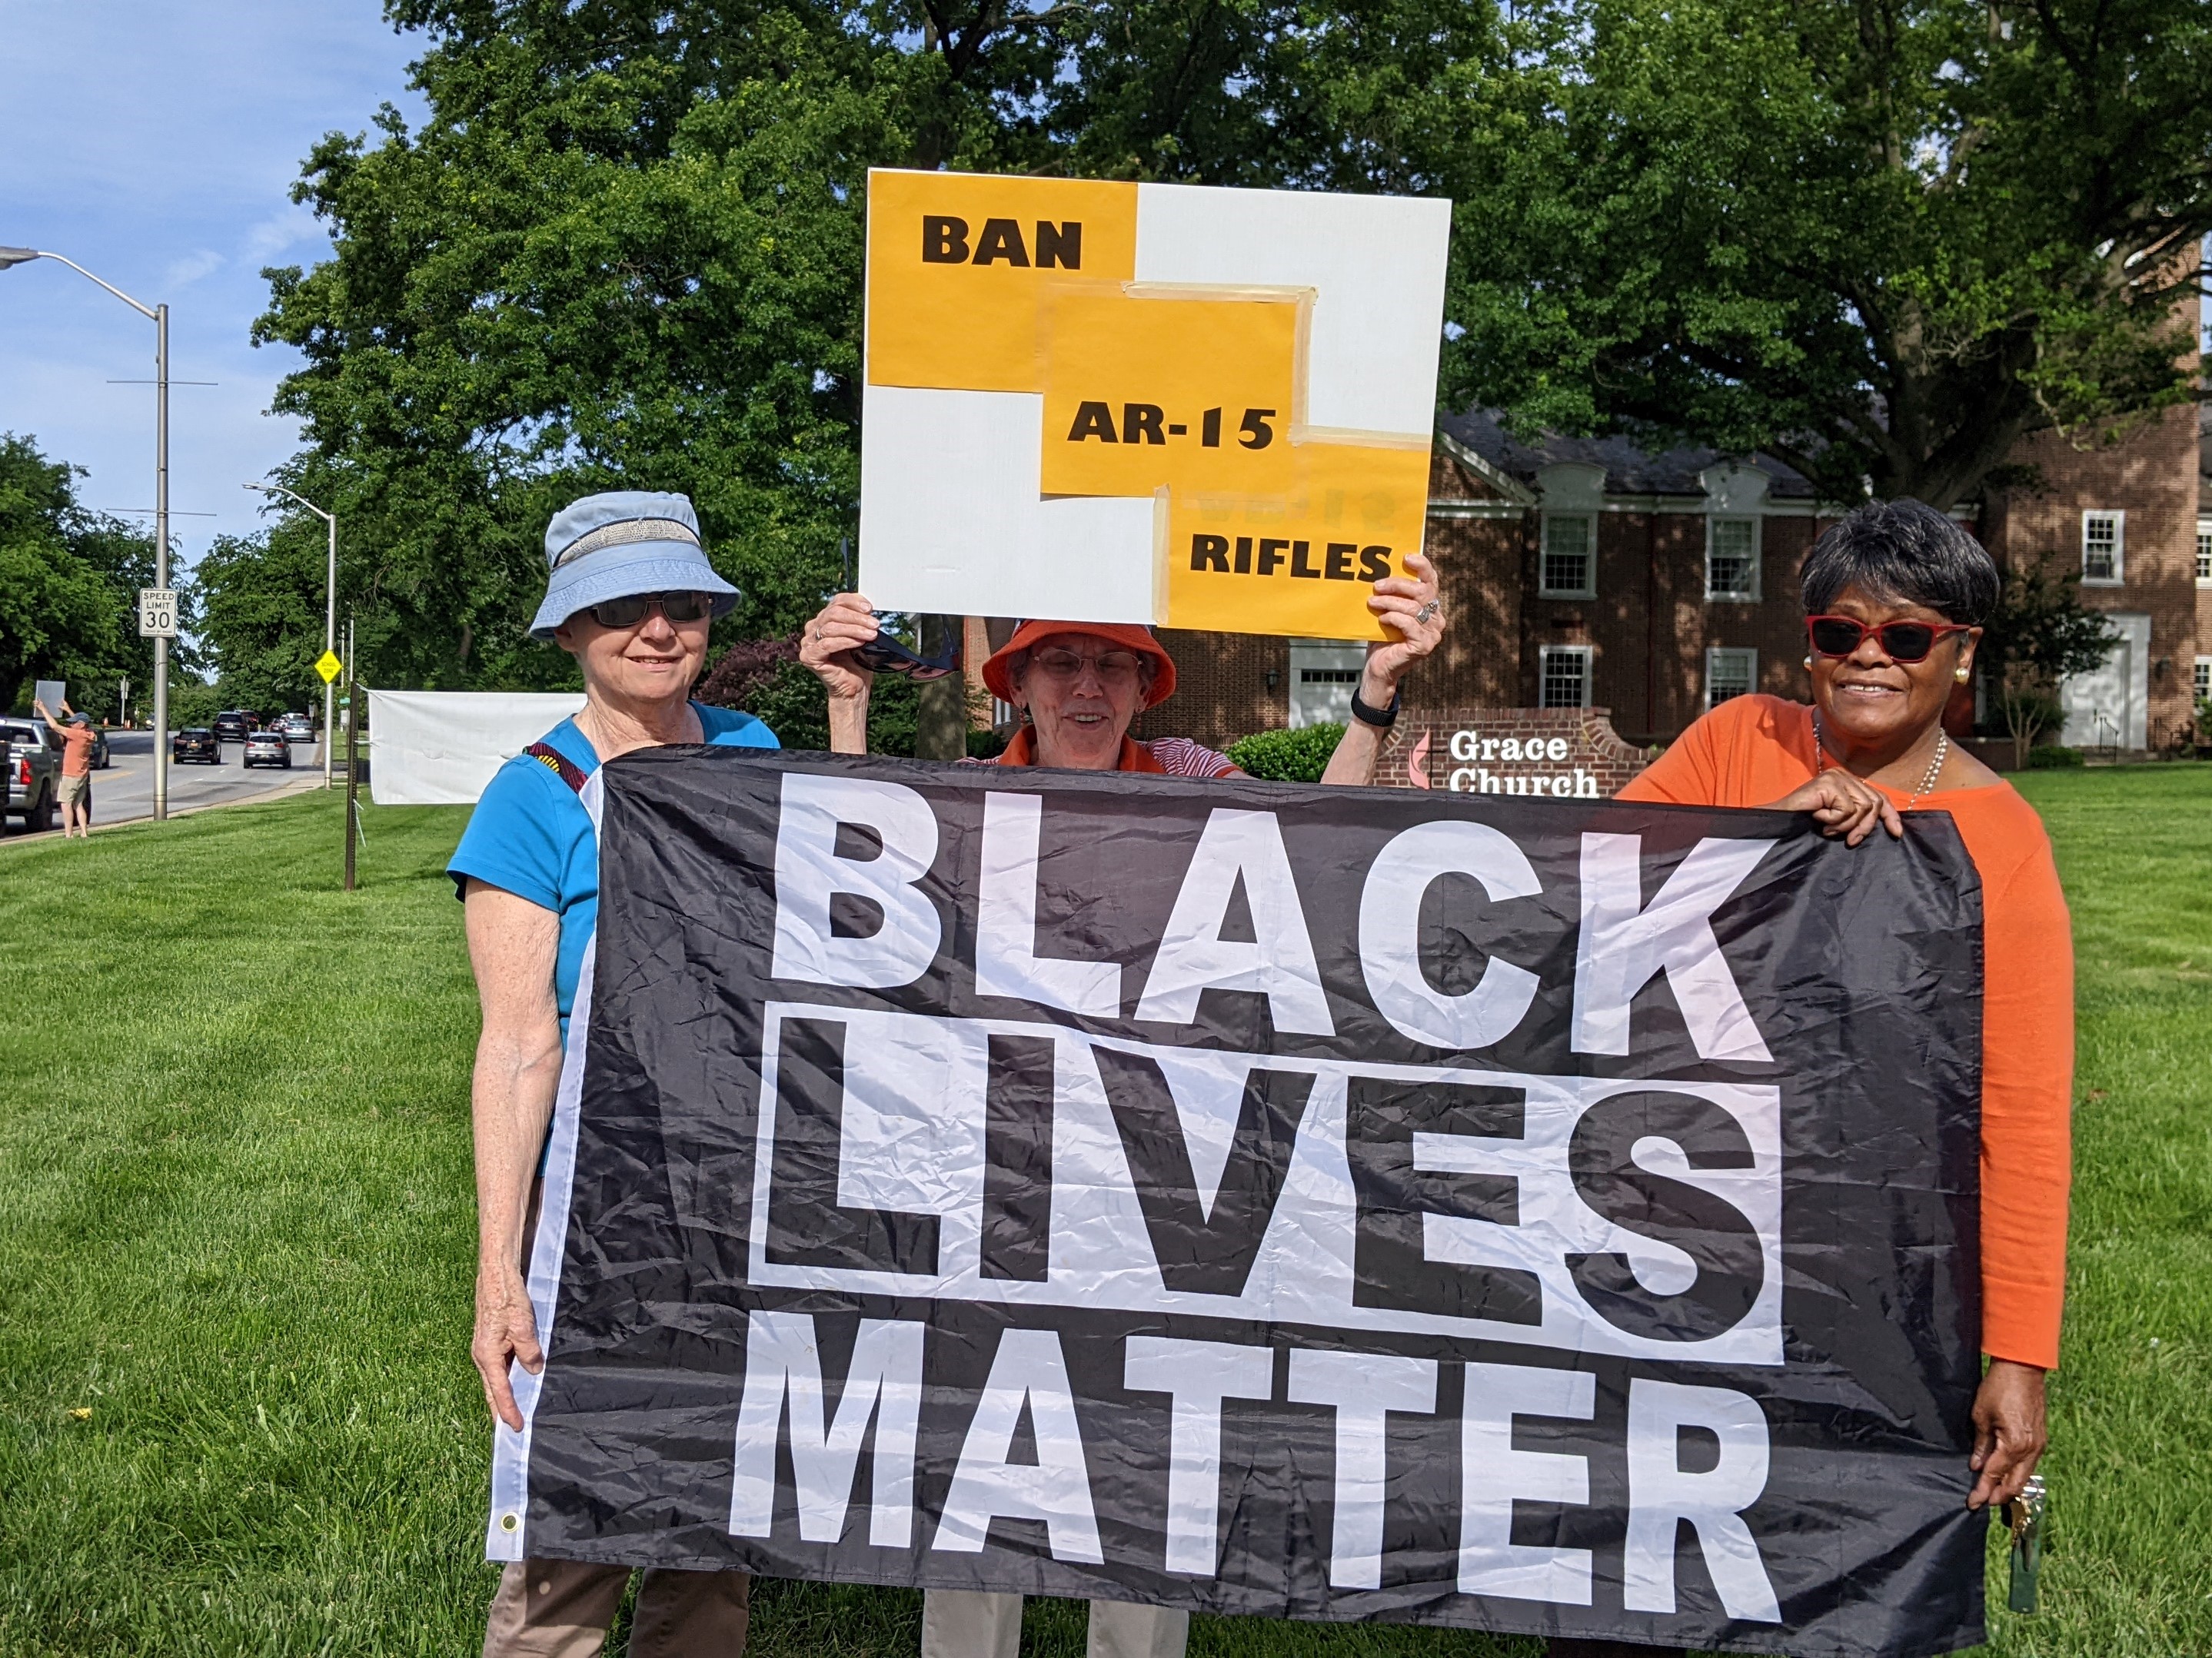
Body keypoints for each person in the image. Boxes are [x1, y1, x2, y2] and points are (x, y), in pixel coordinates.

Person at [799, 555, 1445, 1658]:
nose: (1085, 687)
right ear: (1019, 686)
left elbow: (1305, 845)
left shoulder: (1193, 775)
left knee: (1151, 1457)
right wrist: (845, 709)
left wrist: (1376, 691)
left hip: (1159, 1178)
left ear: (1146, 687)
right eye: (1060, 662)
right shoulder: (962, 797)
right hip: (994, 1178)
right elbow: (852, 882)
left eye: (1109, 664)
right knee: (978, 1455)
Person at [1567, 499, 2070, 1658]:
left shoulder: (2002, 840)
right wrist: (1746, 837)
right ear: (1808, 642)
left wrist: (2018, 1355)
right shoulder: (1739, 740)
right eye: (1840, 631)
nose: (1867, 660)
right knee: (1628, 1585)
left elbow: (2024, 1115)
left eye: (1905, 638)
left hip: (1872, 1286)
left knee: (1830, 1596)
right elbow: (1576, 903)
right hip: (1670, 1248)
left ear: (1960, 653)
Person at [447, 492, 774, 1658]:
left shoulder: (754, 757)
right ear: (568, 631)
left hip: (737, 1197)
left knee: (711, 1520)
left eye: (680, 605)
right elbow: (518, 1042)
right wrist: (500, 1274)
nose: (655, 630)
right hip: (596, 1209)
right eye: (618, 608)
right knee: (573, 1518)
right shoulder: (533, 795)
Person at [33, 698, 95, 839]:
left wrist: (43, 709)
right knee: (78, 804)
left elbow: (55, 726)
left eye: (73, 723)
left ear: (81, 725)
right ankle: (84, 833)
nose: (71, 724)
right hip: (82, 775)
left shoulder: (76, 734)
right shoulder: (89, 735)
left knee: (66, 804)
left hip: (71, 775)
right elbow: (81, 723)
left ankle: (69, 834)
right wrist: (68, 710)